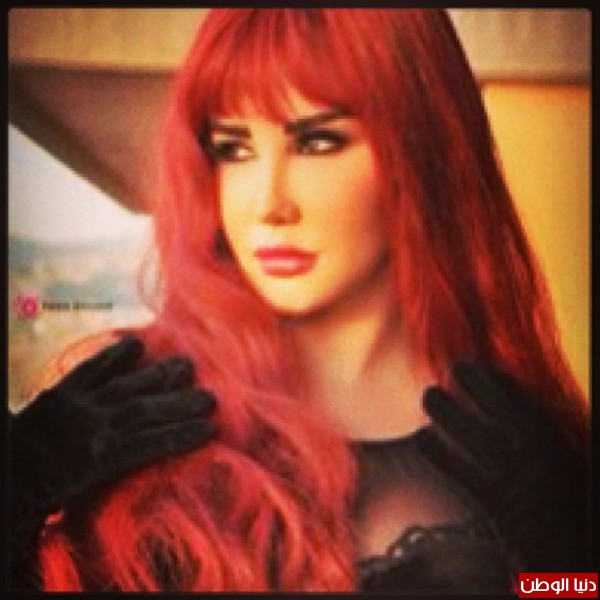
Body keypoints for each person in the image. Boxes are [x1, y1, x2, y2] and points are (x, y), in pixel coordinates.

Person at [8, 8, 590, 593]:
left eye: (317, 142)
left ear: (424, 152)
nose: (269, 204)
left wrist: (570, 570)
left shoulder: (521, 442)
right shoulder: (129, 407)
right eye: (234, 149)